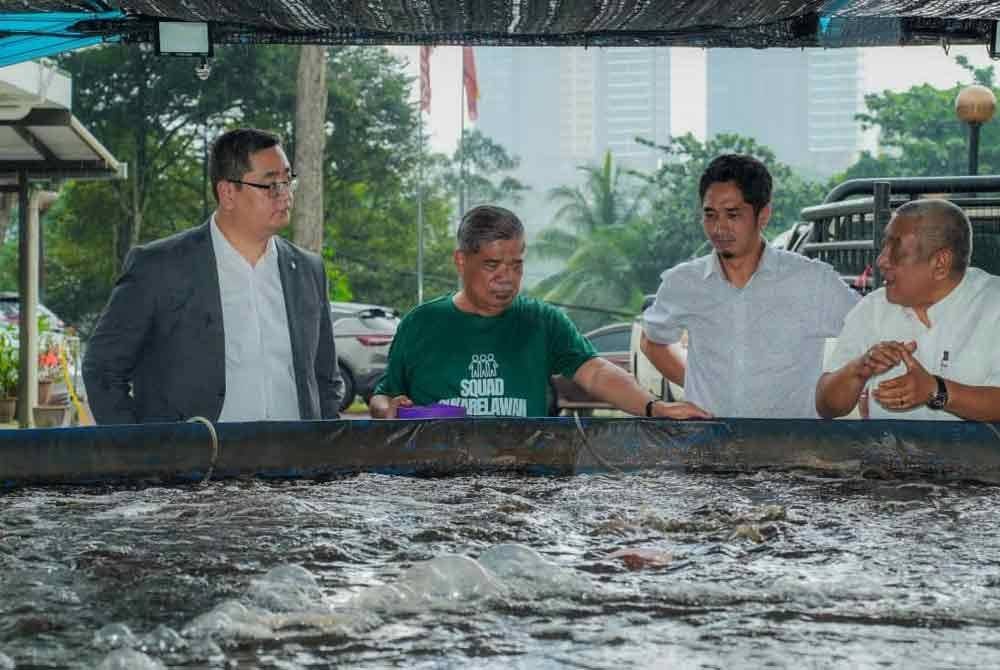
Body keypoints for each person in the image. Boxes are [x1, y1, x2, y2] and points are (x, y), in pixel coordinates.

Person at [83, 127, 343, 424]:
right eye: (271, 185)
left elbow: (326, 378)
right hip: (195, 466)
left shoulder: (308, 270)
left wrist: (324, 455)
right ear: (228, 193)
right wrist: (143, 455)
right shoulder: (158, 268)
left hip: (295, 466)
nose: (285, 195)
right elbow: (102, 369)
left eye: (288, 181)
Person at [369, 205, 711, 420]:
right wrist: (387, 410)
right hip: (441, 488)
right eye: (492, 265)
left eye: (516, 265)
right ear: (461, 261)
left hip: (523, 484)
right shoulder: (422, 323)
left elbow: (595, 373)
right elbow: (383, 396)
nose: (507, 277)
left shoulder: (541, 321)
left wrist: (655, 407)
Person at [640, 154, 859, 418]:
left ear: (763, 215)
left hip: (793, 451)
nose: (719, 228)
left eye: (733, 215)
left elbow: (869, 330)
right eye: (710, 215)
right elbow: (653, 341)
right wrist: (699, 385)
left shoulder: (812, 282)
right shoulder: (684, 283)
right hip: (709, 450)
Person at [816, 198, 1000, 421]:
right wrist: (859, 370)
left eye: (896, 249)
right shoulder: (873, 309)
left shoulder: (993, 305)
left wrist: (936, 391)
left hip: (982, 456)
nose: (881, 260)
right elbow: (826, 406)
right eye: (884, 246)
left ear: (940, 263)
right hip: (890, 455)